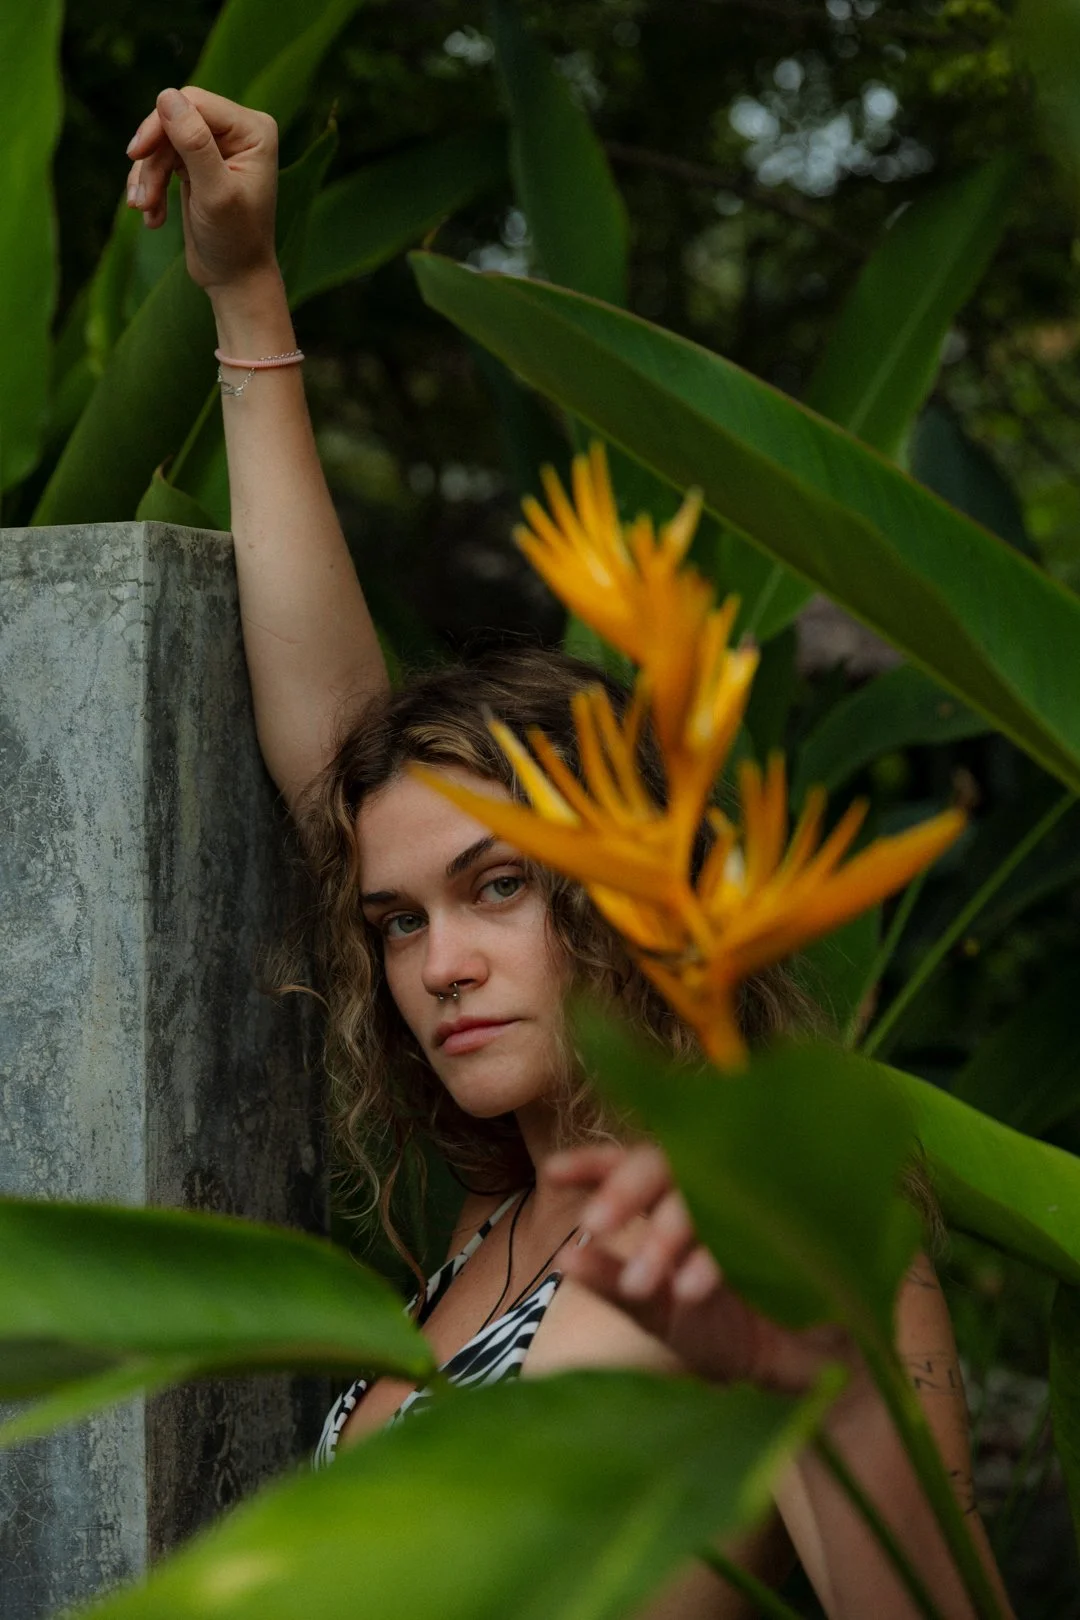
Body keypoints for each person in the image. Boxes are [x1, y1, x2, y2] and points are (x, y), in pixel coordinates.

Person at [125, 85, 1015, 1619]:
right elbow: (342, 764)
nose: (440, 966)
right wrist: (247, 292)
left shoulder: (772, 1231)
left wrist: (827, 1375)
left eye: (501, 886)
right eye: (401, 922)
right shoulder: (501, 1210)